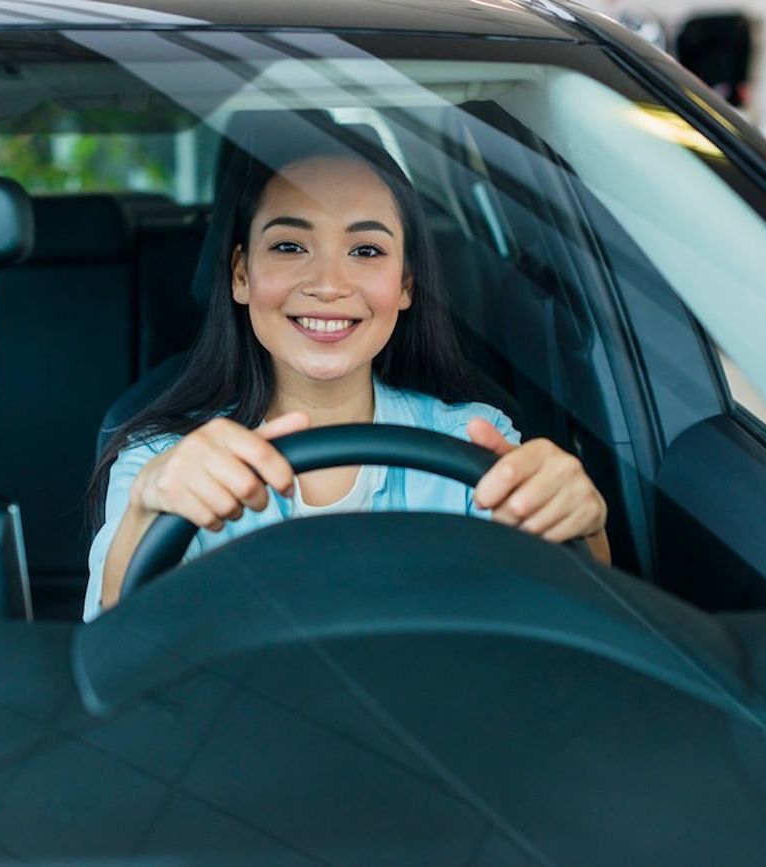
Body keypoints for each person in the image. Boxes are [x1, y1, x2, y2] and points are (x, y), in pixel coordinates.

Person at [84, 132, 609, 622]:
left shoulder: (473, 443)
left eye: (366, 251)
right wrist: (147, 512)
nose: (329, 284)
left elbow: (564, 618)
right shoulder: (164, 462)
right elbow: (120, 636)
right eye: (290, 246)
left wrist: (587, 528)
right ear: (241, 274)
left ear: (405, 284)